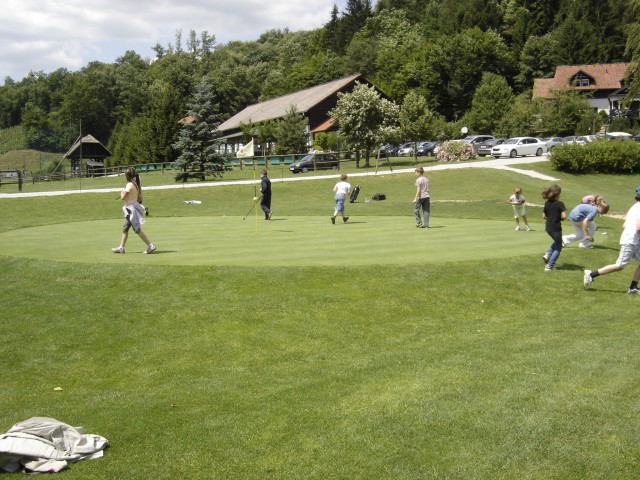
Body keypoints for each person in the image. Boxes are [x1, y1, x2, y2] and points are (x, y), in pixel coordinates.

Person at [584, 186, 640, 293]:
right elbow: (639, 227)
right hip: (631, 240)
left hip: (633, 239)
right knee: (620, 265)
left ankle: (633, 287)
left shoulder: (635, 207)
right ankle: (591, 274)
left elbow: (624, 225)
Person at [112, 167, 156, 254]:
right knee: (125, 228)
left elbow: (123, 197)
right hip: (130, 209)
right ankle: (121, 247)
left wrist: (122, 192)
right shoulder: (135, 184)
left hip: (131, 210)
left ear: (127, 176)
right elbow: (140, 197)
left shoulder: (129, 185)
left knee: (137, 230)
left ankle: (150, 245)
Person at [542, 184, 567, 271]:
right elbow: (564, 216)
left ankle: (548, 254)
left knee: (557, 241)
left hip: (548, 227)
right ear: (558, 194)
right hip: (556, 227)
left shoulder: (547, 203)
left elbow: (544, 216)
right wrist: (559, 218)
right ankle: (550, 266)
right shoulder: (560, 204)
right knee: (559, 247)